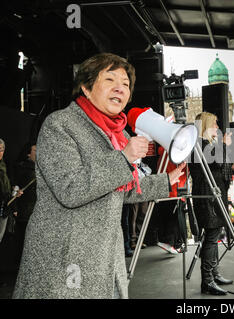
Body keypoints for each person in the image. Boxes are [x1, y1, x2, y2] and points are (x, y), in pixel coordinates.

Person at [13, 53, 185, 299]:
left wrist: (166, 181)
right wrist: (123, 158)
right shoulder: (60, 125)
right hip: (65, 256)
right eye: (110, 79)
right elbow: (70, 189)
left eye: (125, 84)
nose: (120, 88)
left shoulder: (119, 134)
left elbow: (122, 191)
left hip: (106, 257)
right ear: (86, 86)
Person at [189, 111, 234, 296]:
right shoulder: (198, 144)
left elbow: (217, 168)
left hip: (213, 196)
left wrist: (232, 168)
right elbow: (215, 163)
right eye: (215, 124)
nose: (218, 128)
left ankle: (214, 273)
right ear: (206, 125)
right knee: (211, 237)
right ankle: (208, 281)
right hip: (207, 198)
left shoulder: (206, 144)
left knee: (214, 236)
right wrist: (225, 145)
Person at [12, 143, 36, 262]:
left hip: (33, 212)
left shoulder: (39, 168)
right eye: (35, 150)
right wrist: (15, 208)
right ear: (28, 153)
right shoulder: (22, 168)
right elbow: (15, 188)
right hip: (24, 212)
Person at [0, 138, 23, 243]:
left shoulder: (6, 165)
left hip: (4, 208)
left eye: (1, 149)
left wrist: (15, 194)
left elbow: (10, 186)